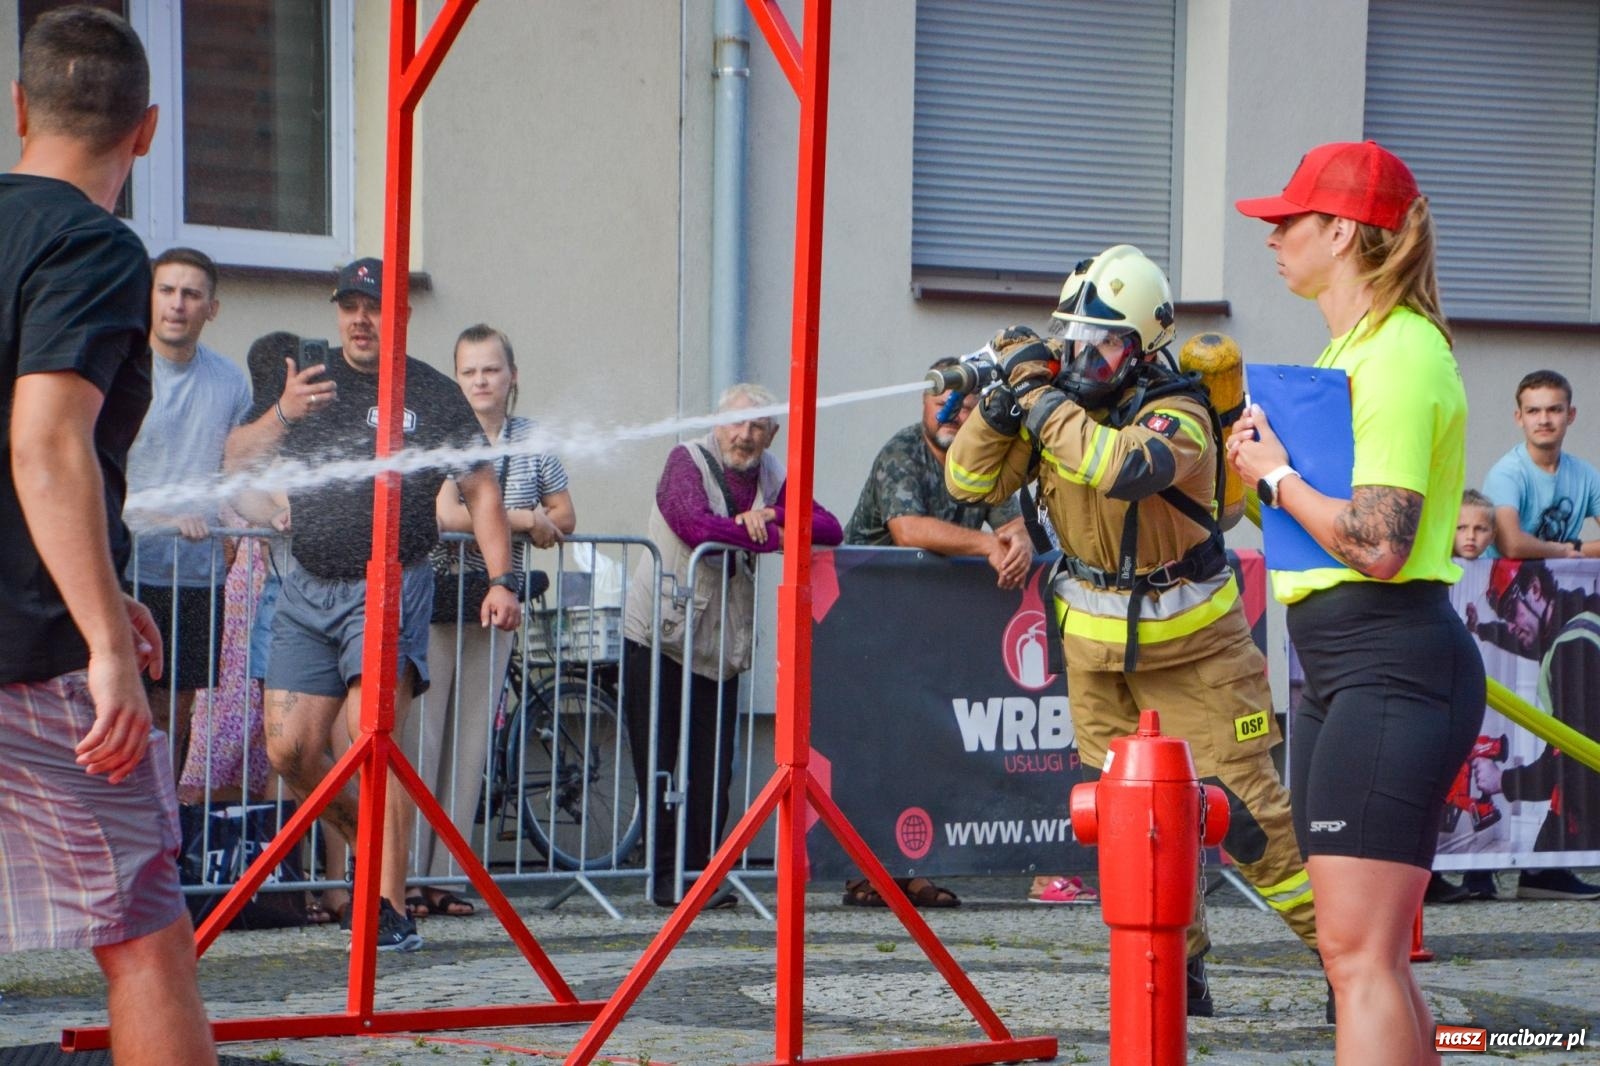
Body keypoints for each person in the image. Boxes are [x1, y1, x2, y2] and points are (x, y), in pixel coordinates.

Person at [947, 245, 1319, 1017]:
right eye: (1074, 337)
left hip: (1199, 656)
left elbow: (1119, 466)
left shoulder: (1177, 412)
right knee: (1137, 826)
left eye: (1103, 341)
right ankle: (1176, 971)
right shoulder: (1055, 407)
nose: (1084, 355)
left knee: (1254, 826)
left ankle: (1346, 961)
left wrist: (1037, 396)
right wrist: (1000, 405)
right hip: (1096, 659)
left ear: (1143, 345)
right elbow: (969, 481)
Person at [1230, 140, 1484, 1062]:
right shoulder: (1351, 347)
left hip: (1390, 656)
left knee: (1359, 955)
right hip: (1344, 663)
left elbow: (1379, 544)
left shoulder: (1403, 353)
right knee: (1364, 957)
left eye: (1286, 221)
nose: (1272, 238)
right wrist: (1269, 478)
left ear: (1342, 233)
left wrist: (1278, 474)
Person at [0, 7, 215, 1065]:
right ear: (149, 129)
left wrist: (105, 582)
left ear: (19, 107)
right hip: (31, 655)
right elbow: (43, 444)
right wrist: (100, 641)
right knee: (144, 938)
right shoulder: (90, 243)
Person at [224, 258, 521, 951]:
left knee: (368, 739)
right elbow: (235, 463)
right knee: (290, 749)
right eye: (351, 306)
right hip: (304, 588)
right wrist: (282, 414)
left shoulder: (432, 392)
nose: (362, 318)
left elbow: (481, 491)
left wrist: (501, 582)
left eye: (376, 306)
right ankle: (371, 840)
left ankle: (388, 909)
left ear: (400, 315)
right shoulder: (306, 383)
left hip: (390, 584)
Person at [622, 383, 843, 907]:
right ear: (717, 424)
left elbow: (829, 527)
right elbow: (694, 524)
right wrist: (759, 534)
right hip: (659, 635)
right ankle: (662, 878)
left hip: (719, 648)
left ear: (773, 433)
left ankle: (699, 877)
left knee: (712, 768)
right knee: (658, 762)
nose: (744, 436)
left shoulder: (771, 476)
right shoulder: (686, 461)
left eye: (757, 426)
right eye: (736, 424)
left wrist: (774, 517)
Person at [840, 363, 1031, 909]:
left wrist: (1014, 546)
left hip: (929, 633)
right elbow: (909, 529)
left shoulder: (982, 460)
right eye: (945, 404)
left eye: (969, 407)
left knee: (927, 747)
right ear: (924, 406)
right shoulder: (902, 450)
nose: (957, 415)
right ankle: (865, 872)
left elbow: (1010, 524)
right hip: (868, 625)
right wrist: (987, 546)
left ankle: (914, 868)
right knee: (874, 750)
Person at [406, 323, 576, 918]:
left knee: (471, 739)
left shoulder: (532, 438)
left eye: (491, 369)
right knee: (422, 738)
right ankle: (403, 876)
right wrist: (528, 519)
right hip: (439, 597)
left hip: (499, 603)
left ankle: (446, 876)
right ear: (457, 378)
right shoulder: (440, 431)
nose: (481, 380)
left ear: (512, 376)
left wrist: (539, 516)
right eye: (469, 370)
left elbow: (568, 513)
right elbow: (448, 514)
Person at [124, 246, 251, 768]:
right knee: (119, 707)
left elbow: (238, 478)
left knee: (177, 712)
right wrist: (163, 519)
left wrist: (257, 522)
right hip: (123, 570)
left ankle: (166, 834)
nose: (177, 304)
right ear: (150, 298)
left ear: (211, 309)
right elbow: (89, 475)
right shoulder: (118, 369)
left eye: (191, 294)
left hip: (196, 577)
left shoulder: (229, 382)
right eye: (167, 291)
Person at [1466, 561, 1600, 877]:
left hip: (1591, 803)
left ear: (1536, 589)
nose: (1510, 624)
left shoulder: (1572, 648)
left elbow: (1570, 758)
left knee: (1542, 875)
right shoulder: (1580, 619)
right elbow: (1525, 641)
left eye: (1511, 611)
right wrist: (1480, 630)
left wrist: (1503, 782)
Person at [1483, 370, 1600, 561]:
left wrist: (1574, 548)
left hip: (1562, 586)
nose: (1544, 420)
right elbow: (1511, 545)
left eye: (1554, 410)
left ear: (1570, 415)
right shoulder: (1506, 474)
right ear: (1519, 417)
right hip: (1502, 586)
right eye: (1533, 411)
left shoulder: (1586, 475)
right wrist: (1562, 552)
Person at [1453, 488, 1496, 561]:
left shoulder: (1493, 570)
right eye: (1461, 528)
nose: (1471, 536)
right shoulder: (1433, 570)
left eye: (1480, 529)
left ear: (1492, 536)